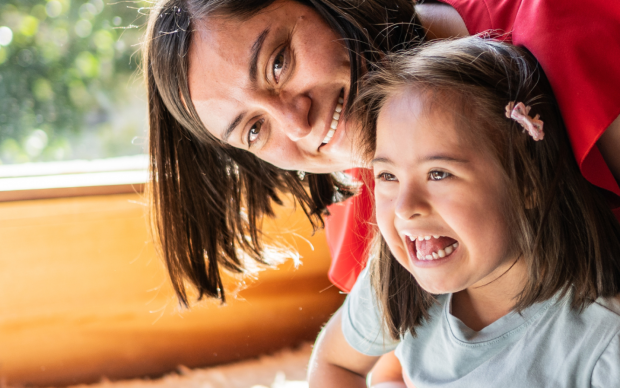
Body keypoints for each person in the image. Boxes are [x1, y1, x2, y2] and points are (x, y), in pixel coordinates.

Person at [144, 0, 620, 307]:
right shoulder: (367, 238)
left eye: (278, 61)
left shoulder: (564, 32)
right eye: (253, 129)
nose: (297, 121)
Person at [308, 36, 620, 387]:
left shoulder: (604, 338)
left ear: (528, 182)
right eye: (388, 176)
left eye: (438, 173)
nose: (406, 208)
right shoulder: (396, 280)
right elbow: (337, 363)